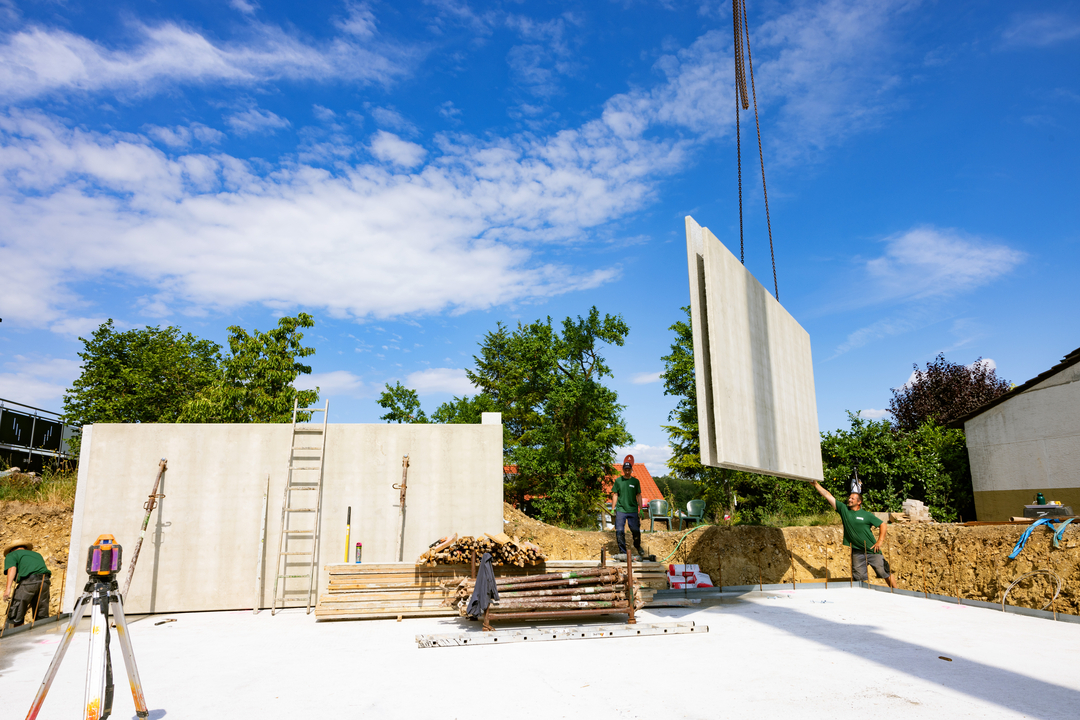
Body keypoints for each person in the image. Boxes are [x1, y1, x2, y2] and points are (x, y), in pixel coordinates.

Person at [811, 480, 898, 589]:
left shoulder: (866, 515)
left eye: (852, 498)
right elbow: (828, 495)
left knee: (884, 572)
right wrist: (816, 485)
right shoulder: (844, 510)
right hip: (857, 551)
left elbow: (883, 525)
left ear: (859, 502)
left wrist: (879, 541)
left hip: (872, 550)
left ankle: (896, 592)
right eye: (849, 498)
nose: (849, 499)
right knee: (859, 577)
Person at [4, 539, 52, 628]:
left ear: (12, 549)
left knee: (16, 610)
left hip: (28, 582)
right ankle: (41, 634)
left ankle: (18, 633)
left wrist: (8, 589)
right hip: (44, 582)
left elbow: (12, 569)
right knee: (41, 613)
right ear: (24, 548)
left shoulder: (12, 554)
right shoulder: (36, 554)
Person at [610, 454, 644, 559]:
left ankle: (637, 546)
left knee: (635, 530)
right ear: (623, 470)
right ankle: (623, 552)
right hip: (621, 510)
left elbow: (638, 495)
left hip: (632, 509)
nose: (627, 471)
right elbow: (615, 494)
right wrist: (612, 509)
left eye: (629, 470)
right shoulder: (618, 481)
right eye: (626, 470)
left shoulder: (635, 481)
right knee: (619, 531)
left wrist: (641, 509)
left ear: (631, 470)